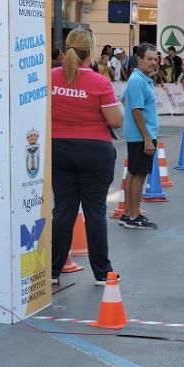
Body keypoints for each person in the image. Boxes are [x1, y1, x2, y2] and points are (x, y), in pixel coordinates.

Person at [50, 28, 124, 285]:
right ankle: (102, 272)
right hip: (94, 150)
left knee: (62, 210)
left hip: (58, 148)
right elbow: (115, 121)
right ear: (90, 51)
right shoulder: (99, 81)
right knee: (95, 211)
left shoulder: (51, 77)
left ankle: (52, 270)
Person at [121, 43, 160, 230]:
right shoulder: (137, 80)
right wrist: (146, 138)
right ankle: (134, 216)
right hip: (141, 136)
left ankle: (128, 213)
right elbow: (137, 110)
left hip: (138, 135)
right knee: (138, 175)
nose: (153, 62)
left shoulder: (140, 79)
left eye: (155, 59)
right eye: (149, 59)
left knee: (133, 173)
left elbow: (124, 99)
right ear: (140, 60)